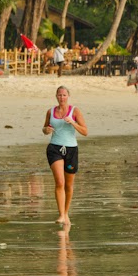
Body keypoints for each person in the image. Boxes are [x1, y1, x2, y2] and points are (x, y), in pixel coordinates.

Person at [42, 86, 88, 226]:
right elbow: (44, 129)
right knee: (59, 182)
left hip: (71, 150)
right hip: (54, 148)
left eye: (64, 95)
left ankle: (66, 213)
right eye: (59, 95)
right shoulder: (51, 111)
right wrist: (47, 130)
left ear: (68, 96)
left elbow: (85, 131)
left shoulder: (75, 111)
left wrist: (73, 122)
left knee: (68, 185)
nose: (61, 98)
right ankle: (61, 214)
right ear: (56, 96)